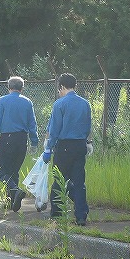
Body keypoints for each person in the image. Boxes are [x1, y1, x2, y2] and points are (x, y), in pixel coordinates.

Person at [42, 73, 92, 226]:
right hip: (80, 145)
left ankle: (57, 214)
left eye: (59, 89)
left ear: (62, 87)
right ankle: (81, 215)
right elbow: (88, 125)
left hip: (64, 146)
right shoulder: (85, 104)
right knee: (78, 181)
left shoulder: (59, 104)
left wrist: (48, 148)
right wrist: (89, 142)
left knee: (59, 180)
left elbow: (55, 129)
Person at [0, 76, 39, 210]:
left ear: (8, 87)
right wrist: (34, 141)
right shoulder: (28, 102)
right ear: (22, 88)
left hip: (7, 138)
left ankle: (15, 191)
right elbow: (32, 124)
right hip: (22, 139)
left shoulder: (3, 101)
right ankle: (12, 203)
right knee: (14, 171)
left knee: (2, 171)